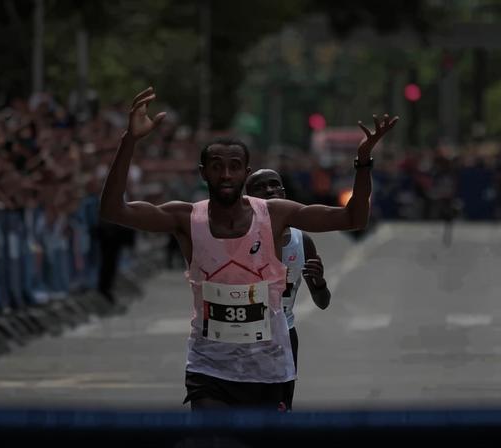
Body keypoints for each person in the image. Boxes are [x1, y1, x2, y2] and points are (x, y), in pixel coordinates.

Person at [99, 86, 398, 410]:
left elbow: (353, 218)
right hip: (209, 367)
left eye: (234, 166)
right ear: (203, 173)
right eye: (216, 166)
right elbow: (114, 210)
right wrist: (129, 141)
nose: (225, 174)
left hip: (269, 368)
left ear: (246, 172)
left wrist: (363, 161)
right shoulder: (185, 217)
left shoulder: (275, 214)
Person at [245, 168, 331, 410]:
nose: (270, 190)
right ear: (248, 198)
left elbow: (322, 301)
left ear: (284, 192)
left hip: (284, 335)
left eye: (274, 185)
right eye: (260, 187)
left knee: (280, 409)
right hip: (242, 335)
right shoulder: (237, 237)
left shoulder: (302, 241)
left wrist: (319, 282)